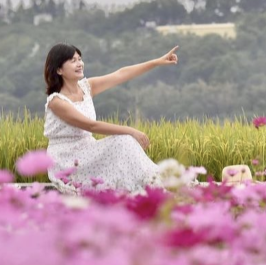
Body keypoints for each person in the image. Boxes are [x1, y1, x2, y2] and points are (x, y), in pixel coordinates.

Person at [43, 43, 178, 194]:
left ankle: (157, 184)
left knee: (125, 143)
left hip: (88, 151)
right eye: (73, 61)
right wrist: (130, 131)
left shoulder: (86, 87)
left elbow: (121, 74)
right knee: (124, 140)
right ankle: (157, 186)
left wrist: (156, 62)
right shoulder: (57, 102)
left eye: (79, 59)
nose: (79, 64)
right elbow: (92, 126)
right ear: (59, 69)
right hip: (68, 160)